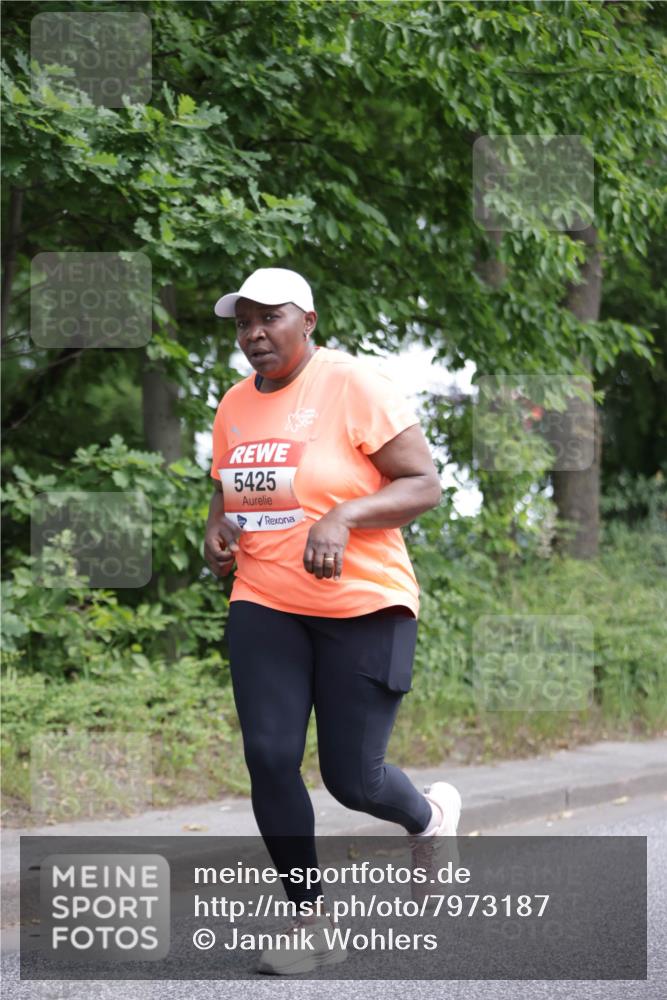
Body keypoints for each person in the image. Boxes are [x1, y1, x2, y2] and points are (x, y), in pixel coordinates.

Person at [205, 267, 462, 975]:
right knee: (268, 756)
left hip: (362, 606)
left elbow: (423, 484)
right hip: (264, 600)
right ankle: (309, 921)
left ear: (308, 321)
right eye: (242, 322)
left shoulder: (352, 386)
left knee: (354, 780)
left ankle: (429, 817)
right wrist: (217, 531)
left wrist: (343, 516)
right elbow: (227, 489)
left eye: (269, 319)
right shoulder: (232, 404)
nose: (254, 334)